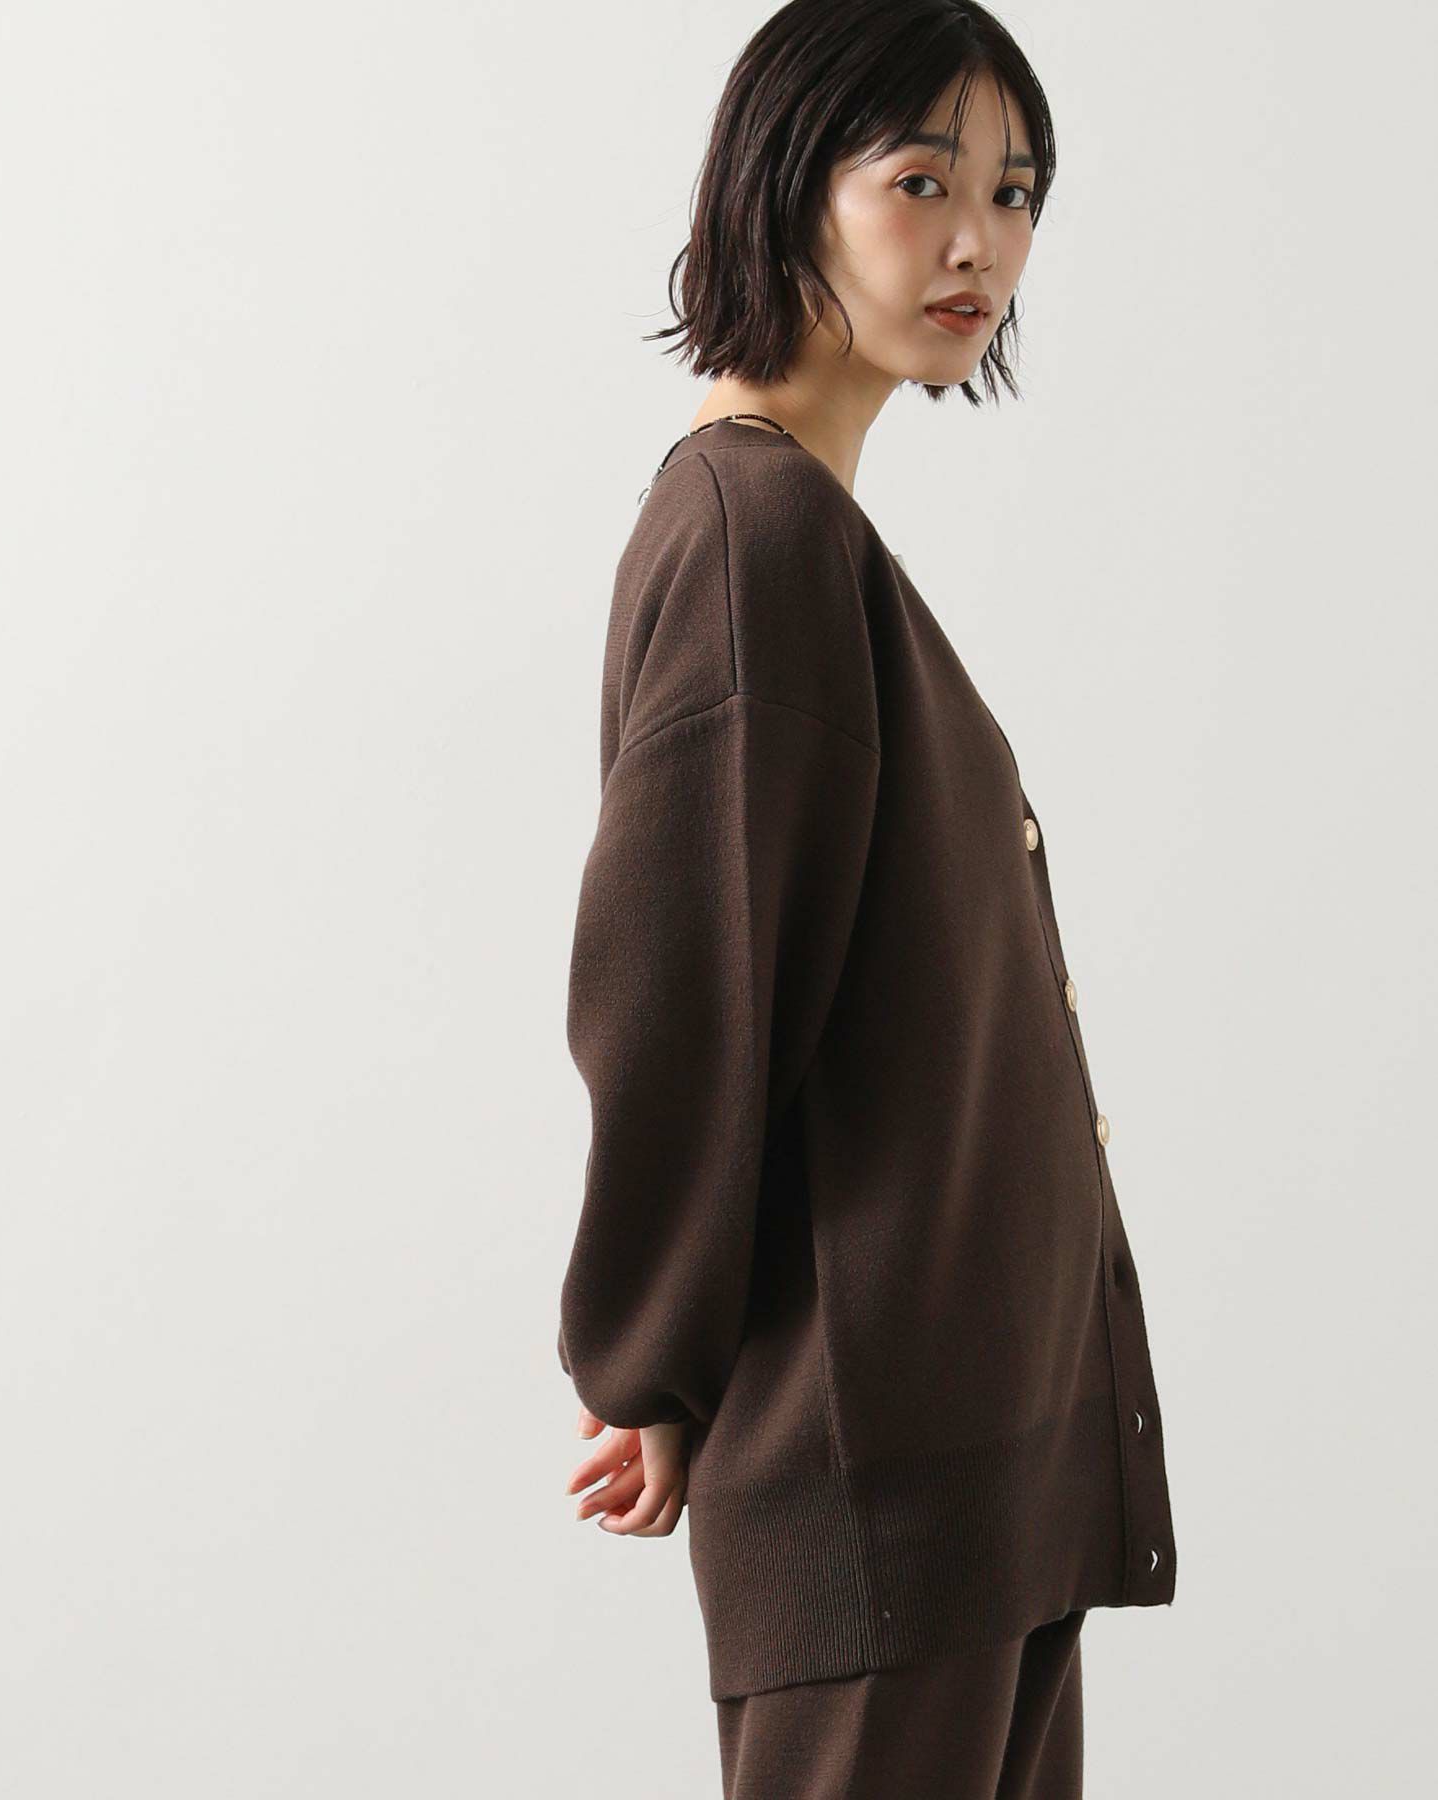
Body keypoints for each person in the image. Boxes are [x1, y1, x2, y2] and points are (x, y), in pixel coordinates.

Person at [555, 3, 1177, 1793]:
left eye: (1016, 191)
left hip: (974, 1480)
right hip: (882, 1489)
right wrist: (651, 1362)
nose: (978, 240)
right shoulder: (753, 539)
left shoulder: (812, 539)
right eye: (921, 181)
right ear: (782, 191)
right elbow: (686, 995)